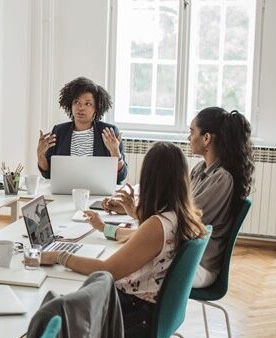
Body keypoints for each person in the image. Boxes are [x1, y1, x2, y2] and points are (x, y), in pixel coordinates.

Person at [41, 142, 207, 338]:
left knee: (56, 307)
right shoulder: (182, 217)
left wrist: (59, 256)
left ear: (151, 179)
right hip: (150, 312)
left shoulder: (156, 226)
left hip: (133, 317)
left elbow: (107, 271)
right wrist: (108, 226)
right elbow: (139, 236)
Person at [102, 107, 254, 288]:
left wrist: (137, 212)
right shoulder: (200, 169)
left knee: (122, 265)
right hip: (182, 250)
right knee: (125, 256)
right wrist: (132, 209)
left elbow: (180, 221)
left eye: (192, 132)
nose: (188, 138)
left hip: (197, 263)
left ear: (206, 138)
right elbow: (175, 208)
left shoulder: (222, 178)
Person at [37, 76, 128, 183]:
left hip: (98, 192)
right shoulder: (59, 131)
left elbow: (121, 176)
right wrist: (40, 154)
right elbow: (48, 174)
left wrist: (115, 152)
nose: (81, 108)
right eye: (77, 102)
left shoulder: (109, 132)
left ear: (96, 108)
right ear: (70, 105)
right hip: (66, 191)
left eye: (88, 104)